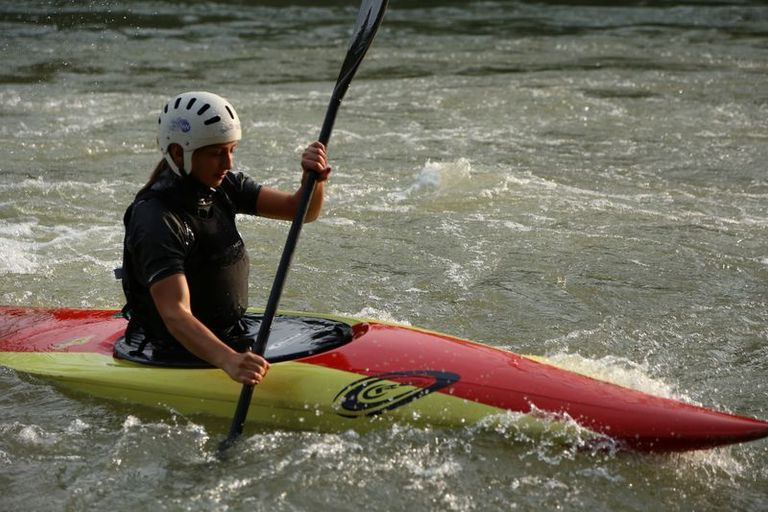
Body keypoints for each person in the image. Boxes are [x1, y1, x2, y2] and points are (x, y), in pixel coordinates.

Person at [120, 91, 331, 387]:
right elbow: (175, 315)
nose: (228, 162)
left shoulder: (223, 186)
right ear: (179, 153)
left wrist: (313, 179)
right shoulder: (156, 218)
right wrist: (229, 361)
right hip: (173, 348)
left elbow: (301, 212)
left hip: (230, 332)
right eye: (217, 152)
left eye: (232, 149)